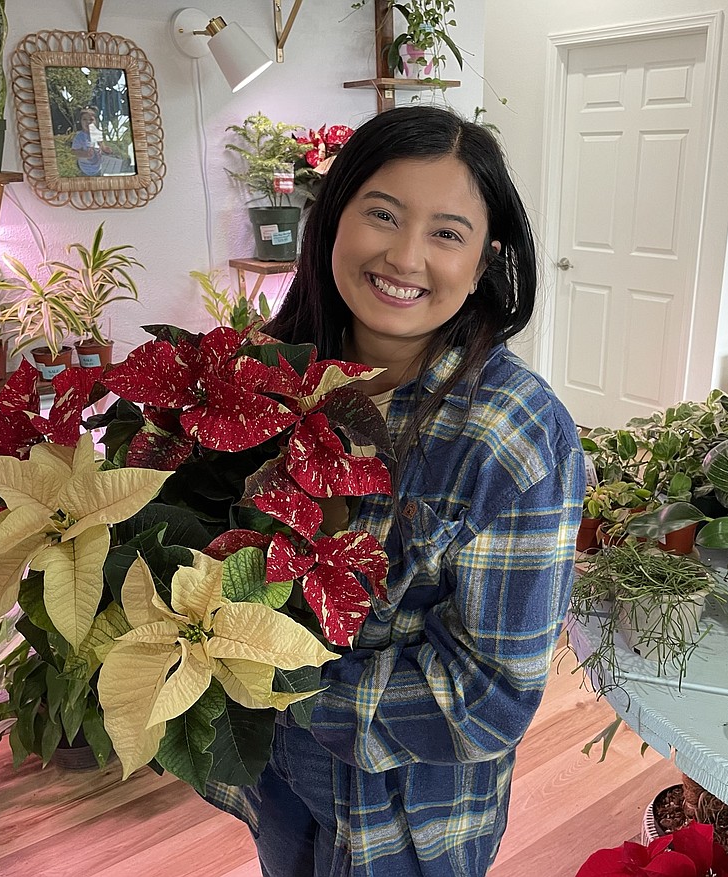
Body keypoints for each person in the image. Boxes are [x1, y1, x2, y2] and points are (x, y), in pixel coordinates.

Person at [206, 104, 585, 877]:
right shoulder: (265, 380)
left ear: (485, 260)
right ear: (332, 220)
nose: (405, 256)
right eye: (382, 214)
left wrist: (272, 678)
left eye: (446, 232)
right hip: (275, 776)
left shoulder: (513, 433)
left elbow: (488, 696)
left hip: (408, 816)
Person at [71, 106, 115, 176]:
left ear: (95, 121)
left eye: (91, 119)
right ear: (81, 121)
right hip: (85, 169)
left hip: (98, 167)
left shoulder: (97, 133)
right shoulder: (79, 137)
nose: (88, 122)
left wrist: (105, 149)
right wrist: (84, 154)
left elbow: (101, 145)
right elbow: (74, 151)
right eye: (84, 119)